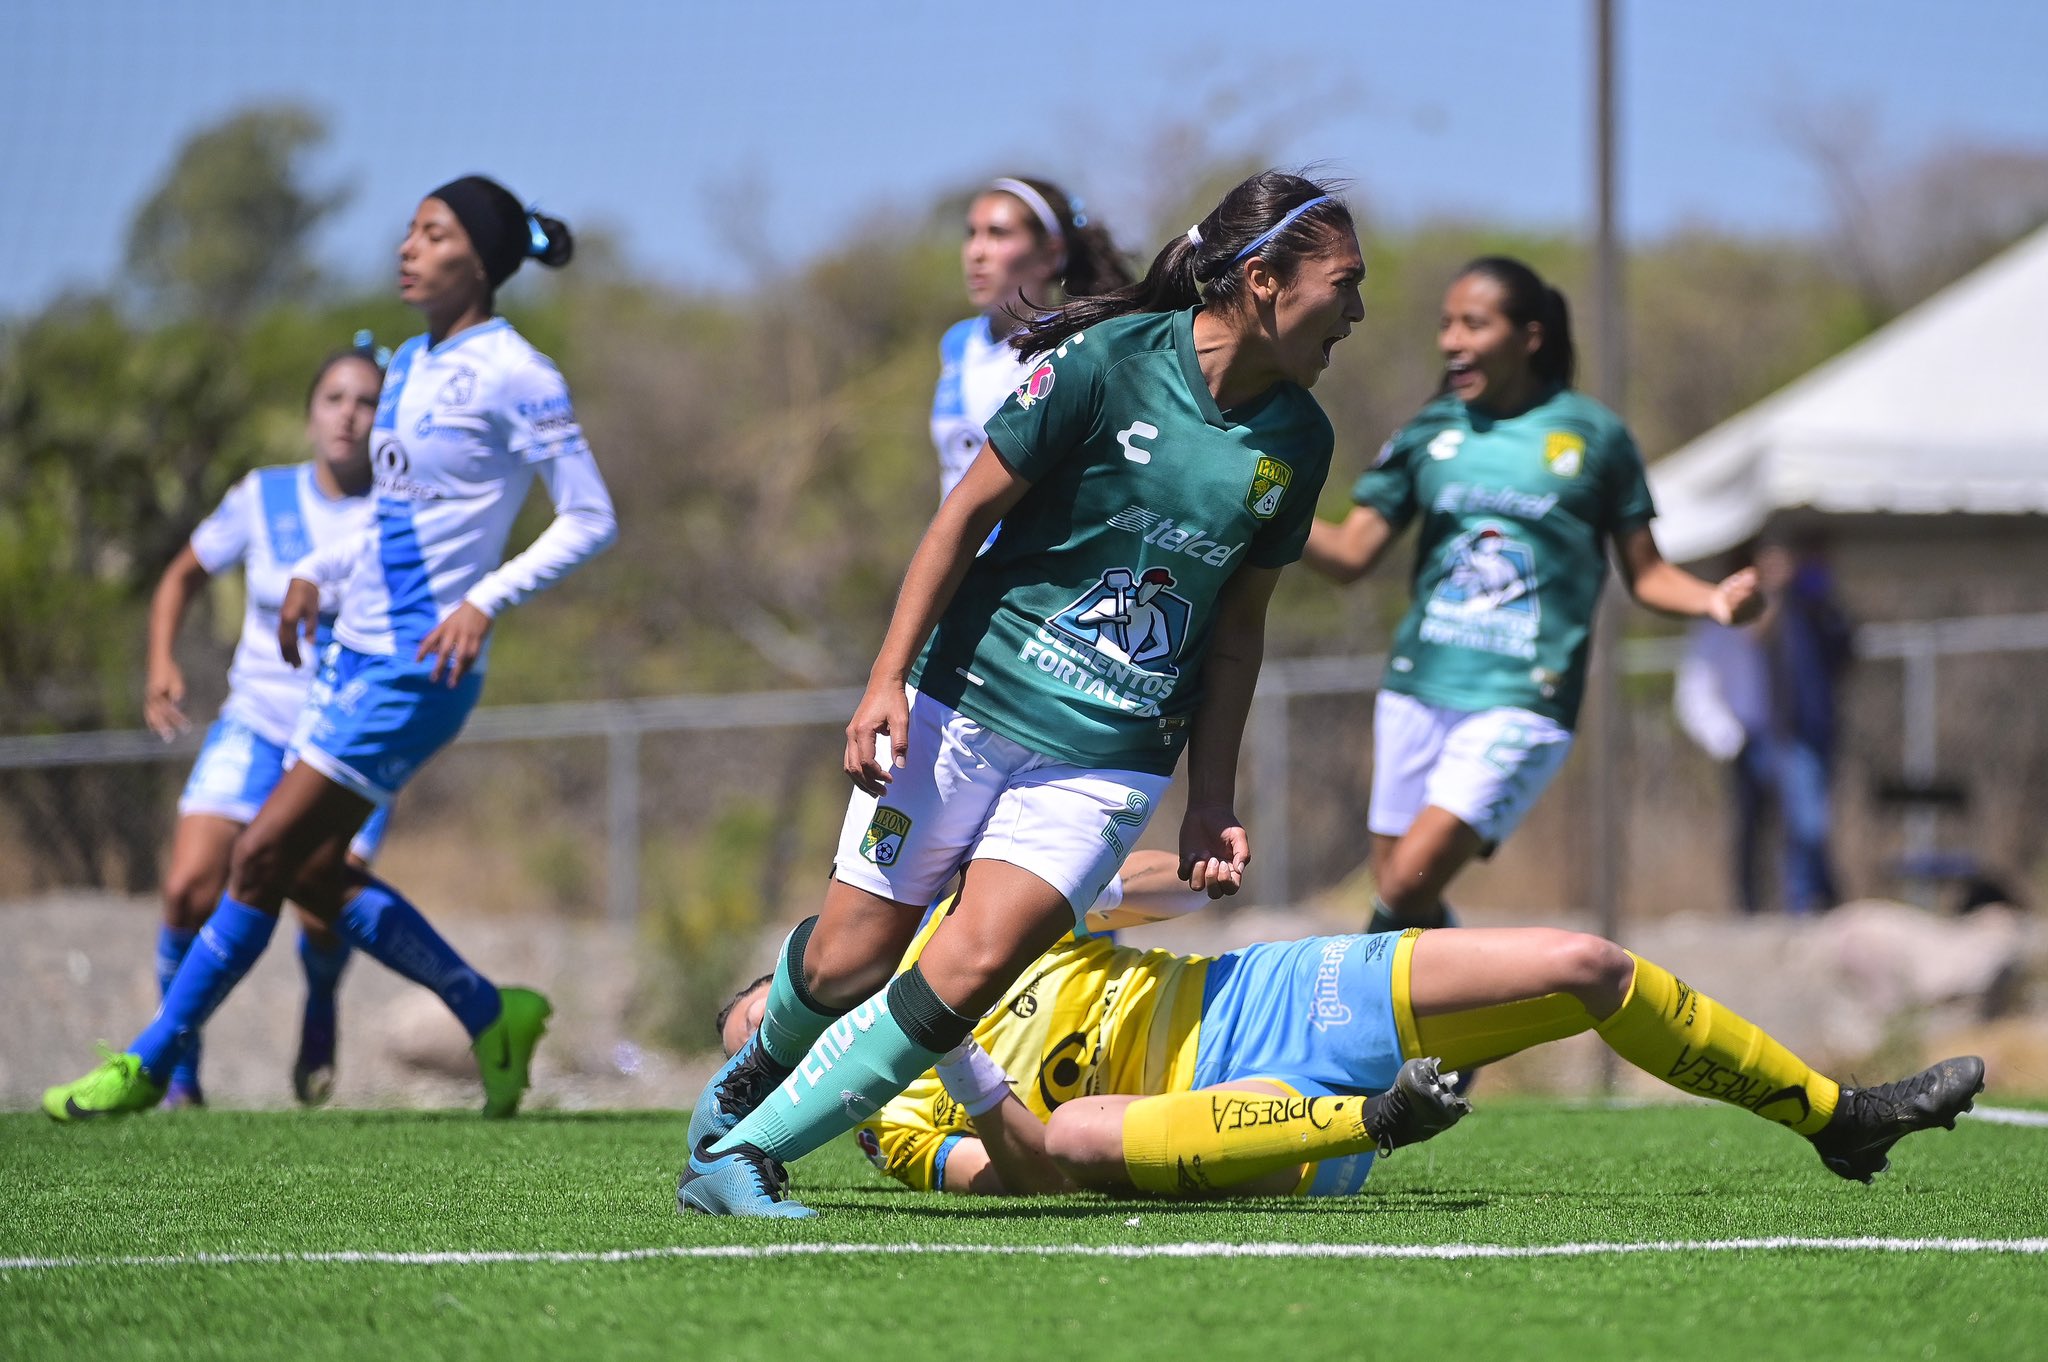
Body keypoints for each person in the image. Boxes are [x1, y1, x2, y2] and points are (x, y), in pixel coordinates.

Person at [677, 169, 1366, 1217]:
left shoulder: (1299, 443)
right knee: (848, 961)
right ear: (1263, 279)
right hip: (965, 698)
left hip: (1111, 751)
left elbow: (1236, 630)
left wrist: (1212, 796)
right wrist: (885, 684)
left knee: (976, 961)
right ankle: (741, 1086)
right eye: (1345, 284)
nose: (1358, 313)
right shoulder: (1102, 365)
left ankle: (742, 1157)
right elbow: (957, 521)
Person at [44, 176, 617, 1121]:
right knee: (312, 873)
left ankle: (152, 1063)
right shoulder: (412, 367)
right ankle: (490, 1010)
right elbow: (396, 522)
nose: (408, 247)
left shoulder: (519, 372)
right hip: (353, 651)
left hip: (416, 672)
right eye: (409, 231)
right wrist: (317, 565)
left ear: (478, 257)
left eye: (432, 234)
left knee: (260, 855)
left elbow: (591, 517)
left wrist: (485, 596)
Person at [716, 848, 1986, 1198]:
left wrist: (1185, 872)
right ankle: (1370, 1122)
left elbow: (1105, 878)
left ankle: (1838, 1117)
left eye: (778, 1021)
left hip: (1253, 996)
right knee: (1084, 1132)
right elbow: (1032, 1168)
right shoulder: (891, 1120)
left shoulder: (960, 922)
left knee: (1585, 963)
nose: (792, 1042)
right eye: (761, 1059)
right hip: (1231, 1128)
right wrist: (970, 1062)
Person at [1304, 257, 1765, 934]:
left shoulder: (1594, 438)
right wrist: (1255, 500)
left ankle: (1447, 1014)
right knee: (1399, 898)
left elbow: (1646, 573)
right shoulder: (1431, 432)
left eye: (1474, 323)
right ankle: (1449, 1032)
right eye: (1445, 324)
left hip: (1522, 699)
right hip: (1418, 686)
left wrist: (1714, 603)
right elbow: (1349, 555)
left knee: (1403, 887)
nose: (1451, 340)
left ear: (1531, 336)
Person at [142, 341, 394, 1107]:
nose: (349, 415)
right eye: (335, 399)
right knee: (188, 889)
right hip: (255, 723)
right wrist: (161, 664)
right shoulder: (264, 495)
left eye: (366, 402)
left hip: (346, 741)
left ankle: (319, 1008)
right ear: (311, 413)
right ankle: (178, 1065)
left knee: (324, 908)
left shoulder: (400, 511)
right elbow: (182, 573)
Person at [932, 176, 1132, 502]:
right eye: (972, 233)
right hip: (959, 552)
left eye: (998, 233)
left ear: (1050, 255)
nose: (976, 252)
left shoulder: (1070, 349)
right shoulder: (956, 343)